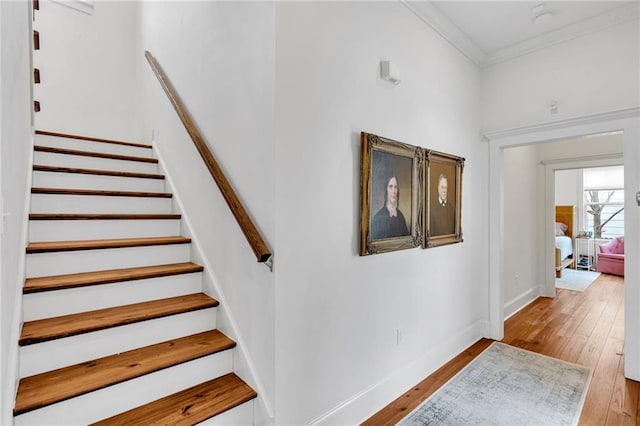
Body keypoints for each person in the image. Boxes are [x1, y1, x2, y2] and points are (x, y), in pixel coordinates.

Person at [371, 174, 409, 239]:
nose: (393, 191)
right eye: (390, 187)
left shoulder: (401, 216)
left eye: (396, 187)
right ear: (386, 190)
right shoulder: (378, 218)